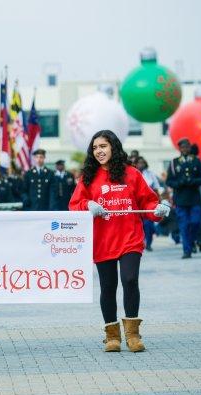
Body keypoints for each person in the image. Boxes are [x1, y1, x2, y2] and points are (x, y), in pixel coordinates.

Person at [69, 130, 170, 353]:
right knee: (108, 287)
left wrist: (160, 209)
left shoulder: (131, 174)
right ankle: (112, 336)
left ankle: (133, 334)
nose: (99, 151)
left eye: (103, 146)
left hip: (130, 238)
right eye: (95, 148)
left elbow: (149, 203)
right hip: (103, 240)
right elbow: (74, 204)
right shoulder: (88, 177)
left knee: (130, 279)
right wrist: (87, 205)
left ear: (113, 147)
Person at [166, 139, 201, 258]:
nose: (185, 149)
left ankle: (192, 241)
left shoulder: (196, 161)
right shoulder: (174, 163)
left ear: (189, 147)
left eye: (187, 147)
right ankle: (187, 250)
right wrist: (179, 183)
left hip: (194, 198)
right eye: (183, 147)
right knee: (184, 225)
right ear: (179, 149)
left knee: (196, 222)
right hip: (181, 199)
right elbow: (169, 181)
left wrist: (193, 181)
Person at [136, 157, 161, 251]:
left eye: (142, 163)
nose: (141, 165)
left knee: (148, 225)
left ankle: (149, 243)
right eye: (139, 163)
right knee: (139, 225)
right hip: (136, 204)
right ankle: (141, 242)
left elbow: (156, 186)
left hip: (148, 203)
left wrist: (158, 200)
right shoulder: (132, 173)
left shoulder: (150, 174)